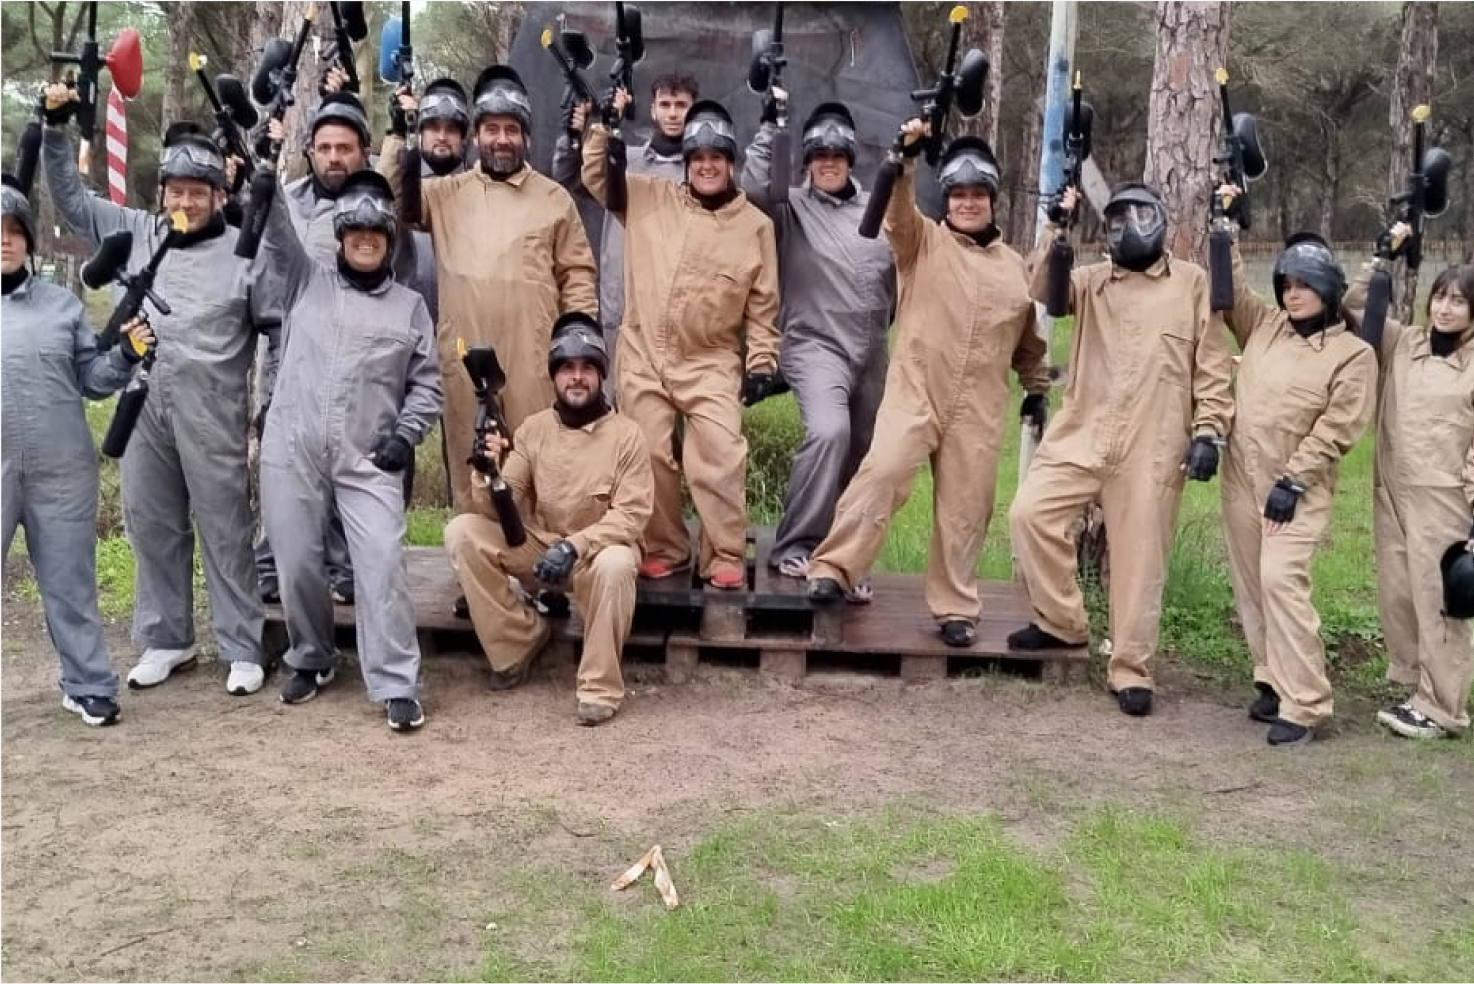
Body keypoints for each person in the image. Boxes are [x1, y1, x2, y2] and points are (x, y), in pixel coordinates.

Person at [42, 92, 278, 697]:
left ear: (218, 196)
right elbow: (71, 202)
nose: (185, 200)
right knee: (150, 522)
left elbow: (279, 328)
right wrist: (53, 133)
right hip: (142, 404)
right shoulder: (136, 231)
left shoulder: (244, 253)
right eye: (175, 189)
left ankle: (243, 645)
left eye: (198, 191)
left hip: (213, 412)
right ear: (162, 192)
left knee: (225, 528)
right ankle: (167, 637)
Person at [804, 121, 1048, 645]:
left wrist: (1037, 387)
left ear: (992, 199)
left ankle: (956, 607)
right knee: (884, 470)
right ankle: (833, 569)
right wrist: (907, 162)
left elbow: (1026, 341)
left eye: (977, 194)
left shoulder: (1013, 268)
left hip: (980, 404)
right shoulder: (924, 242)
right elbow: (896, 214)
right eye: (957, 194)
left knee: (967, 506)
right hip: (917, 389)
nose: (966, 203)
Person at [1008, 183, 1235, 716]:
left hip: (1153, 440)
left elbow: (1214, 366)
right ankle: (1063, 623)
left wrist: (1210, 431)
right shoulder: (1089, 281)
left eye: (1134, 216)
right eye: (1111, 220)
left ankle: (1131, 669)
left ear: (1157, 219)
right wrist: (1056, 229)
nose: (1122, 227)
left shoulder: (1192, 284)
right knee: (1029, 513)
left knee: (1139, 560)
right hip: (1084, 429)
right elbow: (1044, 291)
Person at [257, 168, 443, 732]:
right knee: (295, 564)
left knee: (382, 565)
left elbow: (429, 382)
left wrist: (406, 434)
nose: (365, 241)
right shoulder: (303, 281)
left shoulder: (409, 306)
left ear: (389, 242)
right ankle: (312, 657)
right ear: (339, 238)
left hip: (369, 456)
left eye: (376, 235)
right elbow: (277, 234)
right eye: (355, 233)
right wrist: (263, 188)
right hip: (292, 447)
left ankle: (394, 682)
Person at [582, 93, 781, 589]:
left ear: (731, 163)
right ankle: (666, 546)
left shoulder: (756, 227)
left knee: (719, 451)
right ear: (687, 162)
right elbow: (596, 178)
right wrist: (603, 128)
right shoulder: (650, 196)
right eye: (698, 158)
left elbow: (763, 307)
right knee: (647, 449)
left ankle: (725, 553)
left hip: (710, 359)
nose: (707, 166)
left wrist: (760, 362)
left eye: (717, 158)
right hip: (644, 350)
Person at [381, 64, 598, 515]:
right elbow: (390, 202)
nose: (502, 139)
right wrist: (399, 134)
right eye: (492, 129)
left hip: (534, 358)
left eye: (512, 129)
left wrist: (580, 351)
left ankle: (542, 567)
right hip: (463, 358)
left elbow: (577, 277)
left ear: (526, 137)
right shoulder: (443, 194)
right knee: (471, 462)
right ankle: (478, 567)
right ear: (477, 136)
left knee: (539, 460)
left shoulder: (554, 199)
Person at [1217, 185, 1377, 747]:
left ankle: (1306, 702)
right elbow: (1229, 288)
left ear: (1330, 291)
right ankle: (1272, 679)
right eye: (1287, 284)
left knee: (1282, 581)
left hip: (1295, 489)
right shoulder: (1262, 324)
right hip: (1241, 477)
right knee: (1252, 586)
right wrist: (1225, 226)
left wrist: (1293, 479)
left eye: (1305, 285)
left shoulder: (1352, 354)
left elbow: (1339, 427)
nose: (1293, 293)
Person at [444, 315, 653, 725]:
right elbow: (498, 506)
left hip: (594, 555)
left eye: (587, 368)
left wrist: (573, 546)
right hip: (542, 550)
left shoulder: (627, 435)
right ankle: (519, 640)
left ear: (600, 376)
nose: (577, 378)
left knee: (616, 563)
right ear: (555, 376)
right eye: (568, 369)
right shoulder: (534, 430)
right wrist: (486, 469)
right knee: (462, 532)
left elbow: (630, 516)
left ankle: (598, 686)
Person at [2, 176, 154, 726]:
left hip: (62, 471)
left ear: (30, 242)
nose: (6, 240)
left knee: (70, 584)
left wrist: (126, 353)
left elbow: (92, 379)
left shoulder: (62, 306)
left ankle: (88, 684)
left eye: (16, 230)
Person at [740, 97, 897, 595]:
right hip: (813, 341)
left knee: (867, 452)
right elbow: (751, 189)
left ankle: (843, 559)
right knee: (830, 432)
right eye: (818, 154)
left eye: (837, 153)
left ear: (851, 156)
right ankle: (796, 545)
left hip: (872, 346)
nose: (827, 162)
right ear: (807, 159)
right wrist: (771, 125)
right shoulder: (790, 207)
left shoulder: (879, 206)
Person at [256, 91, 380, 605]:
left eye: (345, 148)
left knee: (346, 456)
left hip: (354, 350)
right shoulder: (285, 198)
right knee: (282, 458)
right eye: (325, 147)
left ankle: (344, 564)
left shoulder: (376, 203)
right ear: (309, 150)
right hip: (287, 346)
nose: (334, 157)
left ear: (363, 152)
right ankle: (271, 562)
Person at [1345, 250, 1474, 740]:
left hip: (1445, 500)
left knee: (1439, 599)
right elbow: (1355, 309)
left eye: (1458, 302)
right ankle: (1418, 682)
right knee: (1400, 593)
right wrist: (1380, 261)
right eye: (1439, 297)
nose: (1444, 309)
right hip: (1392, 490)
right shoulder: (1405, 343)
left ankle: (1443, 708)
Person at [553, 72, 699, 387]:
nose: (673, 113)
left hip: (678, 310)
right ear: (652, 109)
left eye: (681, 105)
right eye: (665, 104)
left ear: (694, 110)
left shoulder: (703, 171)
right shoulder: (623, 159)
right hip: (619, 303)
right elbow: (569, 178)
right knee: (617, 398)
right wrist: (591, 128)